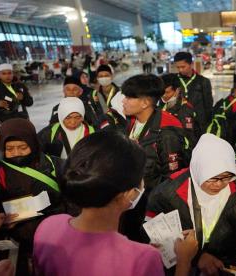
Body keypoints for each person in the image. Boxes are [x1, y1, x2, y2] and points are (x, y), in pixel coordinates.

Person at [33, 131, 198, 276]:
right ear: (128, 194)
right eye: (141, 177)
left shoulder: (48, 228)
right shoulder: (142, 259)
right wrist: (184, 261)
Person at [146, 134, 236, 275]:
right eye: (212, 178)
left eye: (226, 177)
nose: (219, 184)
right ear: (199, 170)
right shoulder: (166, 195)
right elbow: (156, 240)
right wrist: (197, 257)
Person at [0, 118, 65, 275]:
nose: (16, 154)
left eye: (23, 147)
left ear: (33, 143)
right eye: (9, 149)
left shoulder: (56, 165)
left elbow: (75, 198)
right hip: (21, 244)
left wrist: (52, 208)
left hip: (58, 236)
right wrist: (1, 221)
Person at [121, 74, 188, 241]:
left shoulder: (166, 132)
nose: (124, 101)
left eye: (129, 97)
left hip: (151, 208)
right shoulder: (132, 122)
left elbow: (173, 179)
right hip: (132, 201)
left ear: (145, 103)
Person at [174, 52, 213, 130]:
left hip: (198, 123)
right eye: (178, 67)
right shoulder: (173, 81)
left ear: (191, 64)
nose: (180, 70)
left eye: (183, 67)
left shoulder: (203, 81)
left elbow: (208, 105)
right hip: (178, 122)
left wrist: (208, 124)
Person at [159, 73, 200, 143]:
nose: (163, 96)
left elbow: (189, 137)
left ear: (177, 91)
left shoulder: (185, 109)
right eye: (161, 92)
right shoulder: (162, 104)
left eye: (167, 92)